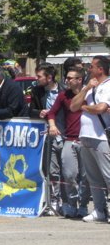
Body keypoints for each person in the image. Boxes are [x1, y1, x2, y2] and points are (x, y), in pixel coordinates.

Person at [70, 55, 110, 223]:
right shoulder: (91, 86)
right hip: (85, 136)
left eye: (92, 66)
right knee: (93, 177)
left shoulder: (108, 86)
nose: (89, 69)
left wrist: (84, 107)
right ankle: (99, 211)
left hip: (101, 137)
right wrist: (86, 89)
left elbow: (101, 108)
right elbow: (73, 106)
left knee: (108, 176)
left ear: (100, 69)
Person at [46, 67, 90, 218]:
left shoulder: (90, 93)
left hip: (87, 139)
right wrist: (52, 125)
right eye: (67, 77)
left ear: (79, 80)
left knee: (86, 176)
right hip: (69, 139)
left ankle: (83, 205)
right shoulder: (63, 95)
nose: (67, 80)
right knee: (69, 174)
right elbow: (52, 112)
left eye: (71, 78)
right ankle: (71, 203)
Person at [29, 63, 64, 215]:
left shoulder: (63, 90)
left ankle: (68, 200)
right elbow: (30, 110)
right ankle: (53, 200)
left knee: (69, 170)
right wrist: (39, 112)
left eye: (39, 76)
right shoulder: (37, 91)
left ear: (49, 77)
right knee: (50, 169)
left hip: (65, 132)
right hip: (48, 134)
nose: (37, 79)